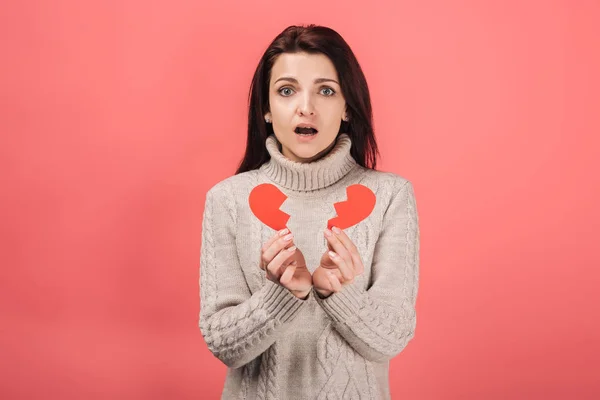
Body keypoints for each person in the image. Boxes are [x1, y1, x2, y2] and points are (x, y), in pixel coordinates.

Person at [199, 24, 420, 400]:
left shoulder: (391, 195)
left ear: (347, 105)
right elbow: (225, 346)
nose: (306, 107)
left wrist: (341, 294)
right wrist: (282, 295)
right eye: (287, 91)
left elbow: (391, 339)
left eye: (326, 90)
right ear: (266, 109)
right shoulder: (227, 200)